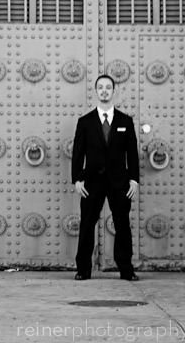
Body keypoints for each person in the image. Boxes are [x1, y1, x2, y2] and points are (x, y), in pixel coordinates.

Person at [71, 74, 139, 281]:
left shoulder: (125, 121)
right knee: (86, 225)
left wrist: (134, 180)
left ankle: (126, 269)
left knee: (122, 225)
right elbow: (78, 153)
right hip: (91, 182)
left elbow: (132, 154)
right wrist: (77, 180)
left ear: (113, 91)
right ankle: (83, 269)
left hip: (119, 183)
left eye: (108, 87)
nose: (104, 91)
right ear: (96, 91)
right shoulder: (85, 121)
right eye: (100, 87)